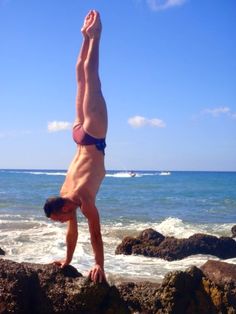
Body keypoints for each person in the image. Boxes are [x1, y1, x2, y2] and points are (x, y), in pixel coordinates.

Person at [43, 10, 108, 283]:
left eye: (58, 218)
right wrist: (67, 260)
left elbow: (95, 233)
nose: (60, 222)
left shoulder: (82, 199)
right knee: (81, 77)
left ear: (63, 209)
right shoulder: (68, 197)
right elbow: (74, 233)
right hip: (79, 135)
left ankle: (96, 35)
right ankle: (84, 37)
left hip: (92, 135)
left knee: (89, 74)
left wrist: (99, 265)